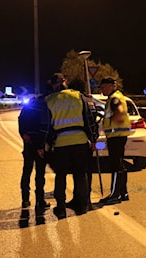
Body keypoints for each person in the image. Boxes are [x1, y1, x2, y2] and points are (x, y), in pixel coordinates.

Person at [45, 73, 96, 219]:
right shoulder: (79, 96)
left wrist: (48, 143)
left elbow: (47, 125)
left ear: (54, 85)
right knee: (80, 174)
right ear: (65, 82)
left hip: (60, 144)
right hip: (79, 141)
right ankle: (81, 206)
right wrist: (93, 139)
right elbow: (88, 119)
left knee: (60, 175)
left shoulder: (50, 100)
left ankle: (61, 208)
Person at [66, 79, 100, 211]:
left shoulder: (78, 101)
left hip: (80, 140)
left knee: (79, 172)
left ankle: (81, 201)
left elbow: (87, 121)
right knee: (86, 171)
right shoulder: (90, 101)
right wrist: (93, 139)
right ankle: (85, 199)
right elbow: (93, 122)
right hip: (87, 141)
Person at [98, 77, 131, 205]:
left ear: (111, 86)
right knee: (120, 165)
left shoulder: (114, 98)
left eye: (104, 87)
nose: (102, 90)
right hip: (119, 136)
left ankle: (114, 195)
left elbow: (120, 112)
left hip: (116, 136)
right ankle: (123, 193)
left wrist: (113, 121)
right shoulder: (118, 96)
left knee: (115, 166)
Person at [18, 86, 52, 211]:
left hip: (28, 144)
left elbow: (20, 121)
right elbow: (44, 128)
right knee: (40, 173)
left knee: (27, 171)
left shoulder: (26, 108)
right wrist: (41, 146)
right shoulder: (43, 108)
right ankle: (40, 200)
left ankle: (25, 199)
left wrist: (23, 134)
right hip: (38, 143)